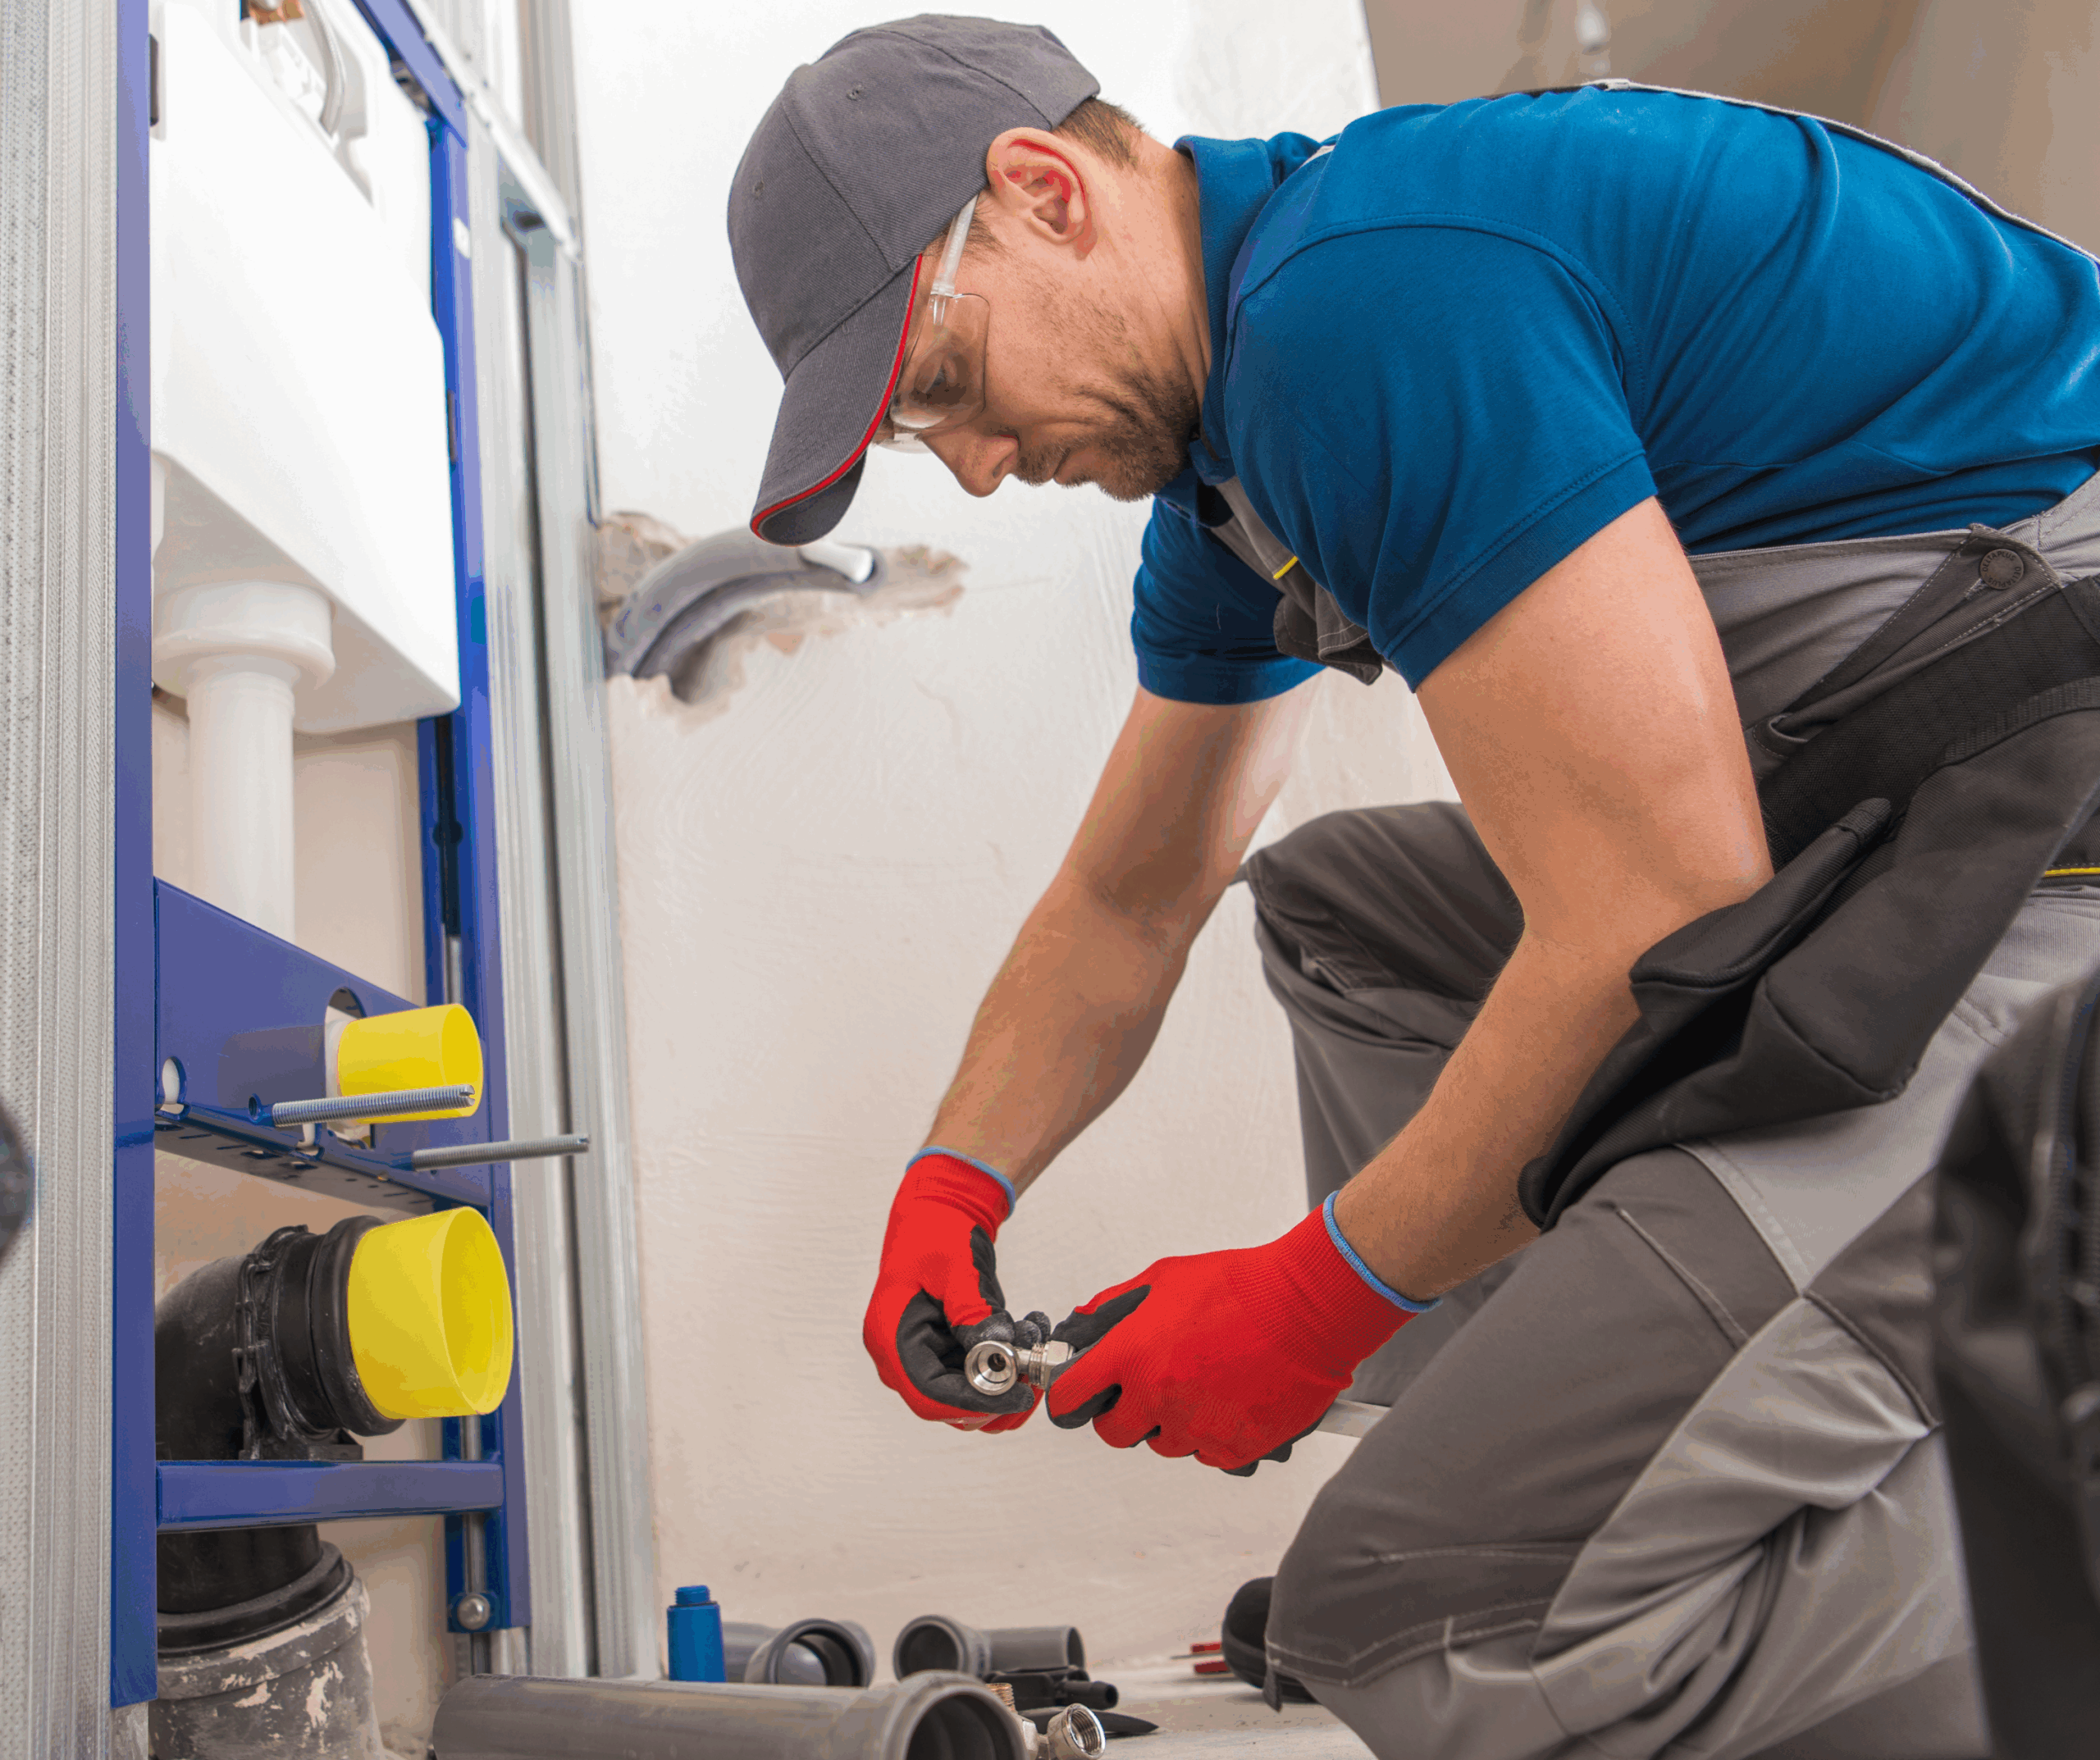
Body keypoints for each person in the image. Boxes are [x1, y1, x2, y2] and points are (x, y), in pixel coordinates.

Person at [728, 16, 2100, 1758]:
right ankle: (1568, 1455)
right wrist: (953, 1181)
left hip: (2046, 852)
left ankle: (1745, 1544)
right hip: (1902, 839)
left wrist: (1317, 1294)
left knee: (1419, 1616)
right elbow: (1133, 894)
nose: (980, 466)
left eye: (938, 385)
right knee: (1345, 909)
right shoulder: (1239, 452)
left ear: (1042, 191)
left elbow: (1656, 909)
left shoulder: (1357, 307)